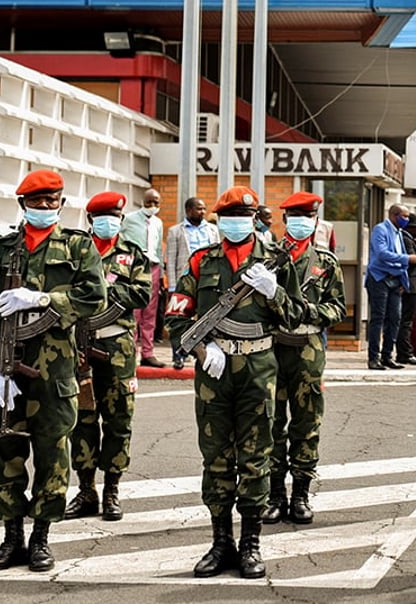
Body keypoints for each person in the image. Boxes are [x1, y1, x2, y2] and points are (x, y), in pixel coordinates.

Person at [161, 185, 304, 579]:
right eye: (229, 217)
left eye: (244, 216)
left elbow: (294, 316)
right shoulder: (201, 261)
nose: (236, 223)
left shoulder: (276, 262)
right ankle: (220, 541)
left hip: (258, 368)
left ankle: (251, 543)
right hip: (214, 372)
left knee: (256, 458)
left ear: (255, 219)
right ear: (219, 221)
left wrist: (273, 292)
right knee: (216, 458)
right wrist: (203, 351)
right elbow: (176, 317)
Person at [0, 169, 106, 573]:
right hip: (6, 363)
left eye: (52, 202)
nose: (44, 208)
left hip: (55, 368)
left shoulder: (79, 248)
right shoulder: (0, 250)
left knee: (52, 452)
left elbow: (94, 297)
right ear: (23, 205)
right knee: (3, 450)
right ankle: (11, 536)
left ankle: (41, 537)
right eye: (36, 202)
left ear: (62, 205)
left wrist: (45, 298)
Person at [63, 191, 152, 522]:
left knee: (118, 420)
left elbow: (142, 293)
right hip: (79, 345)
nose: (110, 222)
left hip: (117, 347)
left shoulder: (132, 255)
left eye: (115, 217)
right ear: (90, 220)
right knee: (83, 418)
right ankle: (86, 490)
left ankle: (112, 489)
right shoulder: (74, 252)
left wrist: (99, 288)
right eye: (104, 217)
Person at [264, 191, 346, 526]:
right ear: (285, 221)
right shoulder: (267, 258)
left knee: (306, 423)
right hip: (271, 347)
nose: (302, 222)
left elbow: (338, 307)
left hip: (308, 347)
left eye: (308, 217)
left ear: (315, 221)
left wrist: (308, 311)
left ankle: (300, 494)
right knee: (271, 424)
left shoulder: (325, 262)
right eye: (296, 217)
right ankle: (274, 495)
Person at [165, 197, 221, 370]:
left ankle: (203, 352)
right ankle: (178, 356)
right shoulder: (176, 231)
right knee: (180, 319)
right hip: (184, 282)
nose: (203, 212)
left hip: (207, 282)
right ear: (188, 210)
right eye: (198, 209)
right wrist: (172, 286)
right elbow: (171, 260)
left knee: (204, 318)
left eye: (204, 208)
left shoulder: (212, 230)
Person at [365, 204, 415, 370]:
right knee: (378, 319)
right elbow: (381, 254)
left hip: (395, 280)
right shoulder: (381, 230)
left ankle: (387, 356)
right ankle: (373, 358)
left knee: (395, 319)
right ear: (394, 215)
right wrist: (407, 259)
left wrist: (402, 278)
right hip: (379, 278)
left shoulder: (399, 232)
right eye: (404, 216)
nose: (406, 220)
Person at [120, 188, 165, 369]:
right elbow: (120, 240)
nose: (152, 206)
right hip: (134, 267)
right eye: (149, 203)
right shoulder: (129, 219)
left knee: (150, 312)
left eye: (156, 203)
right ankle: (131, 352)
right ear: (142, 201)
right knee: (134, 311)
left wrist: (161, 275)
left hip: (153, 267)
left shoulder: (158, 222)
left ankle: (148, 353)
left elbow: (159, 250)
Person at [394, 217, 416, 365]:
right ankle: (406, 352)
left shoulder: (415, 239)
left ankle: (414, 350)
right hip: (412, 285)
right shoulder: (406, 239)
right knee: (408, 321)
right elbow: (415, 260)